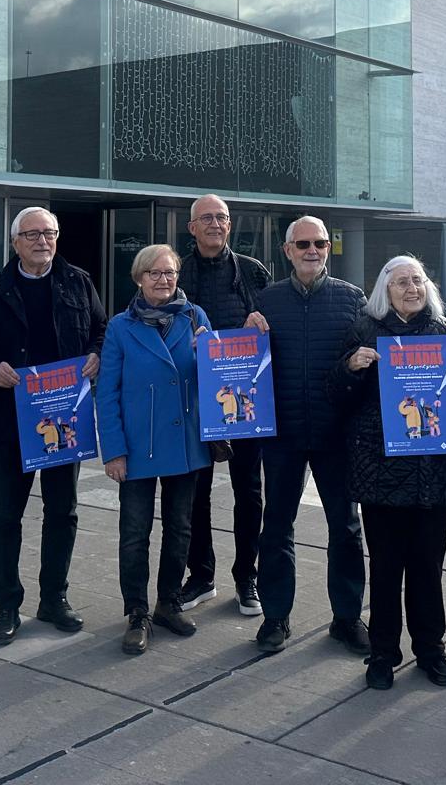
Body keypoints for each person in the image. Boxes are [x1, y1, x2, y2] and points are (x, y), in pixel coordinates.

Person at [0, 206, 105, 645]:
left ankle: (54, 598)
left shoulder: (78, 281)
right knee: (5, 516)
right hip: (9, 422)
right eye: (33, 234)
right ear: (15, 241)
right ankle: (6, 605)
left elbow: (100, 328)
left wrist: (96, 354)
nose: (43, 241)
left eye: (50, 233)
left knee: (63, 512)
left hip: (65, 420)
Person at [332, 256, 446, 689]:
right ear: (385, 291)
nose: (411, 288)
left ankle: (431, 649)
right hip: (380, 470)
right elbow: (336, 395)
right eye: (400, 283)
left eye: (417, 280)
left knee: (428, 568)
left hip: (432, 471)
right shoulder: (365, 330)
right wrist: (350, 369)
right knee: (387, 568)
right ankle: (382, 652)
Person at [242, 216, 368, 655]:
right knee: (276, 526)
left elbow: (375, 355)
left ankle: (348, 617)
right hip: (283, 433)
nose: (312, 250)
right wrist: (242, 336)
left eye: (320, 243)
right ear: (287, 250)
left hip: (337, 434)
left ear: (329, 248)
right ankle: (276, 616)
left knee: (347, 528)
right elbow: (243, 364)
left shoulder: (353, 299)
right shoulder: (266, 302)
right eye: (303, 244)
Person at [96, 245, 213, 655]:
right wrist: (113, 451)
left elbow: (217, 382)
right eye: (155, 273)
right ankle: (137, 612)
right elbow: (106, 393)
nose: (164, 280)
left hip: (185, 443)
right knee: (134, 533)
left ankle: (168, 602)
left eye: (171, 272)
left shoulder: (196, 318)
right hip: (138, 445)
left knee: (180, 528)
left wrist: (208, 358)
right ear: (139, 278)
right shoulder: (120, 327)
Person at [176, 194, 272, 618]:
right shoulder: (173, 272)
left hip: (246, 400)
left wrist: (262, 322)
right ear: (191, 227)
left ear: (230, 225)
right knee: (194, 492)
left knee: (248, 491)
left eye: (222, 218)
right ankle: (201, 575)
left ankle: (246, 575)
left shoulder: (253, 272)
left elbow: (276, 333)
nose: (215, 224)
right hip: (195, 400)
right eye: (206, 218)